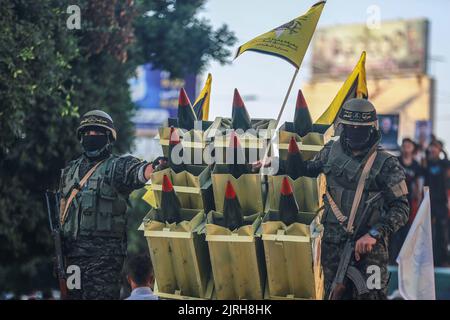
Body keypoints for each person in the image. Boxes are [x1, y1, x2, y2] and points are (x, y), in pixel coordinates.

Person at [296, 98, 409, 299]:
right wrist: (274, 163)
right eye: (351, 127)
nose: (355, 131)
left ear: (372, 128)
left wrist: (374, 234)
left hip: (369, 252)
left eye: (360, 128)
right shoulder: (330, 152)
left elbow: (401, 209)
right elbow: (304, 170)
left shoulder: (387, 164)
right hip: (332, 248)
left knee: (370, 296)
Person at [58, 110, 155, 300]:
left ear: (108, 138)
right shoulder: (70, 171)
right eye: (87, 133)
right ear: (81, 137)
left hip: (103, 260)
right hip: (71, 258)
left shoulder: (115, 167)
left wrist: (153, 168)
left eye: (97, 133)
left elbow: (137, 171)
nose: (92, 137)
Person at [389, 138, 423, 264]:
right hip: (395, 199)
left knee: (406, 230)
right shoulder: (396, 161)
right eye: (405, 145)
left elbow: (419, 183)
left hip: (408, 202)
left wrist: (418, 197)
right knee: (394, 229)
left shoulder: (416, 165)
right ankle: (392, 258)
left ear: (413, 148)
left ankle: (404, 260)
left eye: (409, 145)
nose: (407, 148)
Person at [424, 139, 449, 266]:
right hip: (428, 201)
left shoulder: (444, 163)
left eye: (435, 148)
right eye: (431, 147)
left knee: (442, 230)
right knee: (429, 231)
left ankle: (443, 258)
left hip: (441, 202)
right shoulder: (426, 163)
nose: (433, 150)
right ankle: (430, 257)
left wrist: (441, 149)